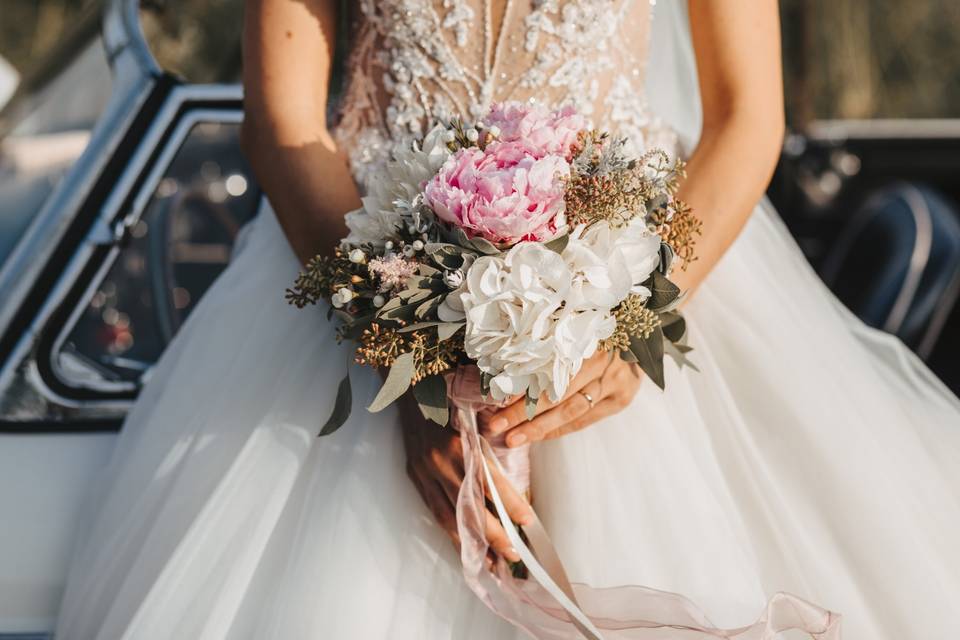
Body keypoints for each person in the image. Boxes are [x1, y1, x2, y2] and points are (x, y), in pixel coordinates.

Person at [55, 1, 960, 638]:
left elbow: (745, 118)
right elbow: (284, 124)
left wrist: (633, 332)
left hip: (630, 290)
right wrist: (401, 364)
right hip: (361, 275)